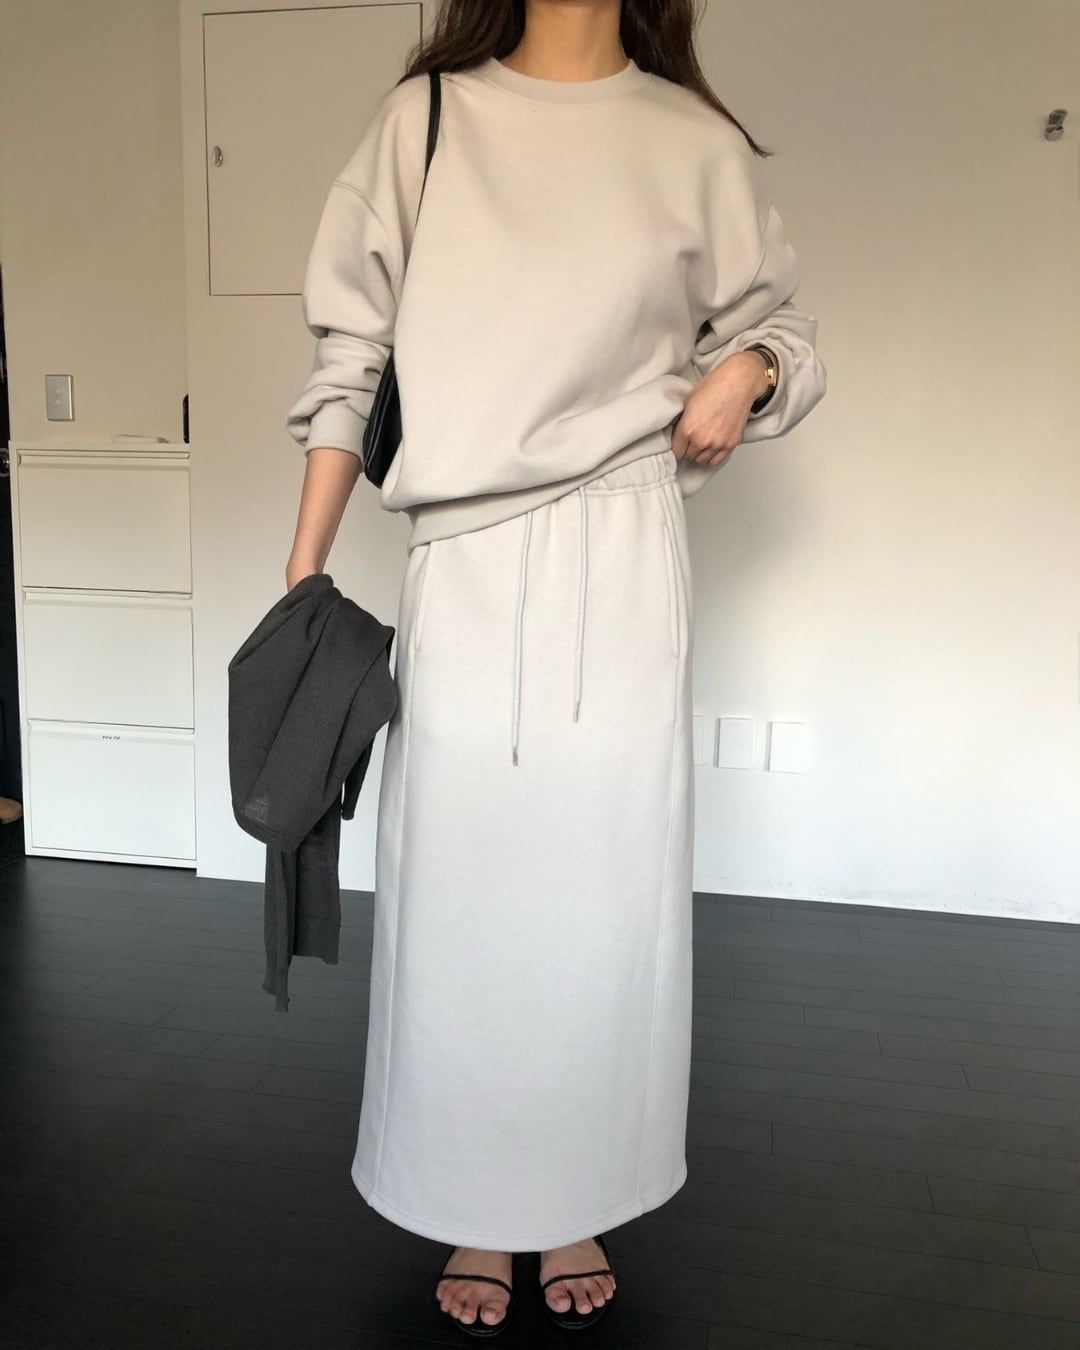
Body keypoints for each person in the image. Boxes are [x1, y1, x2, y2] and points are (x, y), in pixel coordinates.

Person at [283, 0, 827, 1336]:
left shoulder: (689, 137)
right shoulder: (424, 121)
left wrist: (750, 367)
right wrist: (301, 580)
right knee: (459, 905)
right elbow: (351, 356)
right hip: (462, 559)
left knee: (602, 903)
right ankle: (474, 1197)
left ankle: (576, 1191)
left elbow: (788, 335)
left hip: (625, 554)